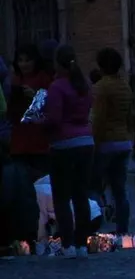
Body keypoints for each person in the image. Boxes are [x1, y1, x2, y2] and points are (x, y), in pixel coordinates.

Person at [40, 45, 94, 259]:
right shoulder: (84, 85)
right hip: (86, 142)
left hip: (63, 144)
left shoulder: (57, 87)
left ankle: (68, 244)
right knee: (81, 195)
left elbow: (53, 119)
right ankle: (82, 244)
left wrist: (40, 123)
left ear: (57, 64)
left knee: (62, 197)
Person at [91, 47, 135, 234]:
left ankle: (93, 227)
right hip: (123, 140)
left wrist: (94, 142)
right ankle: (122, 229)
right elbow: (130, 114)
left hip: (106, 142)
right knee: (119, 189)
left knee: (94, 185)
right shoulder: (125, 85)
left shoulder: (101, 87)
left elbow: (98, 118)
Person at [7, 44, 52, 180]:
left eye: (28, 60)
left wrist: (35, 96)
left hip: (39, 141)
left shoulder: (44, 78)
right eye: (20, 60)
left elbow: (52, 106)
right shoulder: (16, 79)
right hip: (19, 140)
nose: (24, 64)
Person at [34, 175, 103, 244]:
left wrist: (40, 241)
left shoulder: (38, 194)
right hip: (94, 212)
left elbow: (41, 222)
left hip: (85, 219)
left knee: (62, 241)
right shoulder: (44, 183)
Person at [0, 142, 38, 252]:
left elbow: (6, 200)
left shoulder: (8, 171)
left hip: (15, 226)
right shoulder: (19, 169)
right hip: (26, 225)